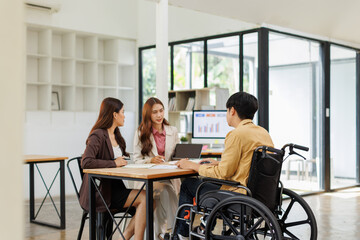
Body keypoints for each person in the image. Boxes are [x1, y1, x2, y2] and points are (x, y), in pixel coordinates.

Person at [174, 92, 274, 240]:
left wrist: (193, 166)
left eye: (227, 111)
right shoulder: (263, 133)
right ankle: (204, 227)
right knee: (212, 182)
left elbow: (224, 173)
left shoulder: (236, 134)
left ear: (232, 110)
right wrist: (219, 163)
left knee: (189, 184)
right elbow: (250, 164)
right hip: (260, 195)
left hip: (239, 195)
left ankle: (181, 234)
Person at [79, 97, 147, 240]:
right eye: (122, 112)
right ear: (114, 114)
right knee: (145, 198)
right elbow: (86, 162)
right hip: (100, 192)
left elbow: (118, 160)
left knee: (149, 199)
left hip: (115, 188)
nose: (125, 115)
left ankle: (125, 237)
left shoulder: (116, 135)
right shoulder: (97, 135)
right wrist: (114, 163)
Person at [133, 97, 180, 239]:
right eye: (155, 112)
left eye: (161, 111)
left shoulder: (173, 130)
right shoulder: (141, 132)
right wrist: (150, 160)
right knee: (165, 191)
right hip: (148, 181)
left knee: (167, 190)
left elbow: (176, 156)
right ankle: (171, 232)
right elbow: (135, 161)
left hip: (169, 178)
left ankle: (164, 233)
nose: (159, 115)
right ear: (148, 114)